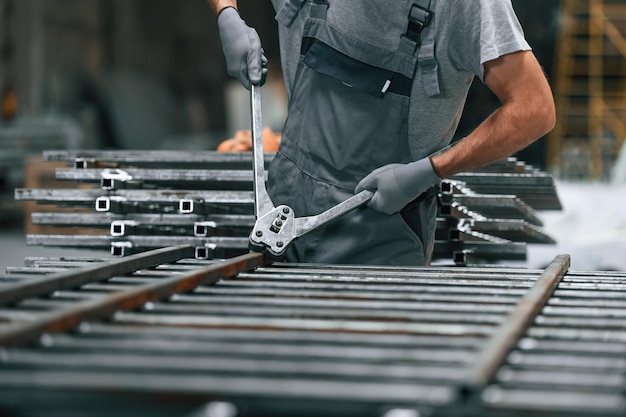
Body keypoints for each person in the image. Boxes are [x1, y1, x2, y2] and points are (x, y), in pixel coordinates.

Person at [209, 0, 555, 266]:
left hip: (382, 239)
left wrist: (429, 171)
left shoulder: (467, 7)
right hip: (280, 221)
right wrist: (226, 13)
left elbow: (533, 109)